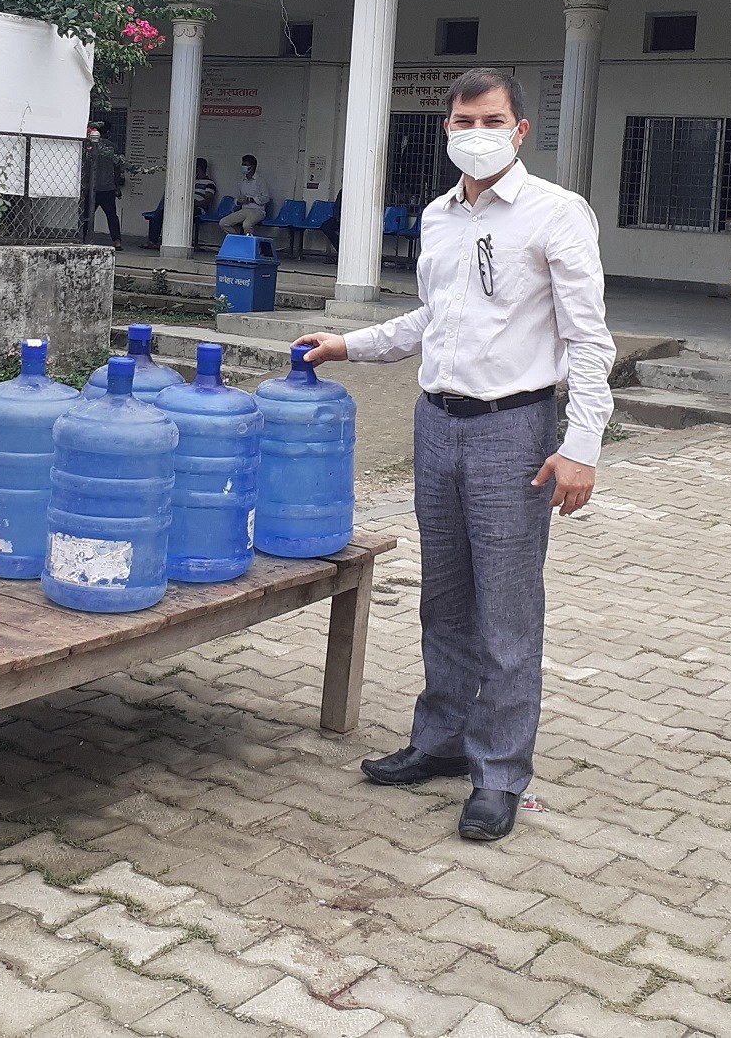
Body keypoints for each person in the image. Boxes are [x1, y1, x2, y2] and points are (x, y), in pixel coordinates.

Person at [294, 68, 614, 843]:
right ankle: (440, 740)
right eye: (463, 121)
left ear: (520, 128)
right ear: (446, 130)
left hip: (516, 431)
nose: (477, 133)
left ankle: (499, 772)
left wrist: (581, 445)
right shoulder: (438, 217)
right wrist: (350, 344)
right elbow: (432, 320)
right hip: (436, 425)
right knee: (445, 597)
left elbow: (589, 340)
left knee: (506, 607)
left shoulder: (556, 214)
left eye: (491, 119)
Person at [85, 122, 122, 247]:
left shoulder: (89, 147)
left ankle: (84, 238)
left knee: (86, 215)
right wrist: (117, 187)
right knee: (112, 216)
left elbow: (84, 167)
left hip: (92, 188)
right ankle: (116, 240)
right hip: (108, 188)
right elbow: (117, 168)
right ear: (108, 133)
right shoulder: (112, 147)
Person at [220, 153, 273, 235]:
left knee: (247, 225)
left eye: (245, 165)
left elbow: (266, 198)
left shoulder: (260, 181)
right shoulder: (241, 182)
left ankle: (247, 245)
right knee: (223, 223)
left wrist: (251, 199)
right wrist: (239, 201)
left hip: (258, 211)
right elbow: (236, 199)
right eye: (242, 164)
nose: (243, 167)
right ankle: (237, 241)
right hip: (244, 209)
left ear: (252, 167)